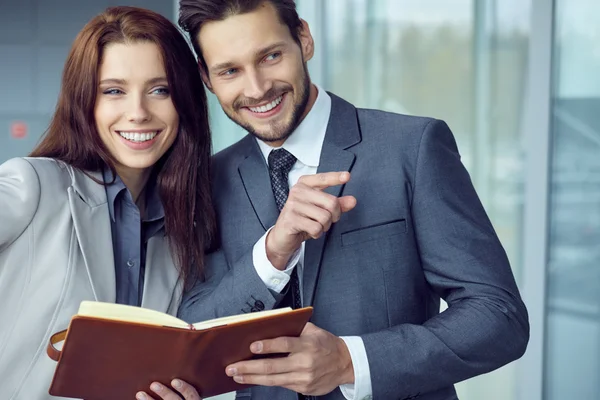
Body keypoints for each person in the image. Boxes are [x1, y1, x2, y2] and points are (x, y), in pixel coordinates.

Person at [146, 1, 530, 399]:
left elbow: (499, 317)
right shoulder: (208, 180)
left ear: (305, 39)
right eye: (230, 71)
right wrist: (272, 254)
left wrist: (350, 360)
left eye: (271, 56)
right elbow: (191, 331)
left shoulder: (412, 148)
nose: (257, 88)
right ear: (207, 79)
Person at [0, 6, 215, 400]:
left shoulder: (181, 232)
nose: (138, 113)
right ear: (85, 101)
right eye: (113, 90)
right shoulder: (32, 184)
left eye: (160, 90)